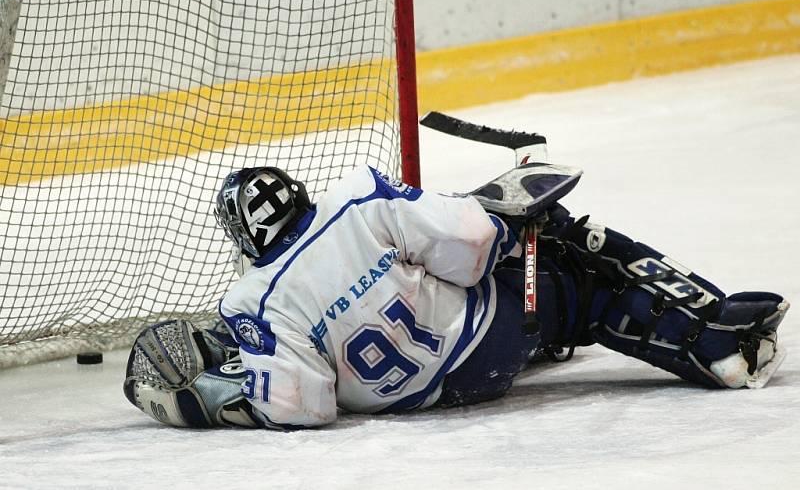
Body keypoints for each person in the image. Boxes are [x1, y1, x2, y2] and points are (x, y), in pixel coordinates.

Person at [123, 163, 789, 429]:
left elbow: (304, 405)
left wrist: (227, 395)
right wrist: (508, 230)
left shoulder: (253, 302)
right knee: (573, 256)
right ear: (297, 191)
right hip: (495, 339)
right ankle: (720, 342)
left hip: (438, 397)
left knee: (535, 290)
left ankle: (552, 335)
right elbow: (470, 248)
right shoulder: (356, 197)